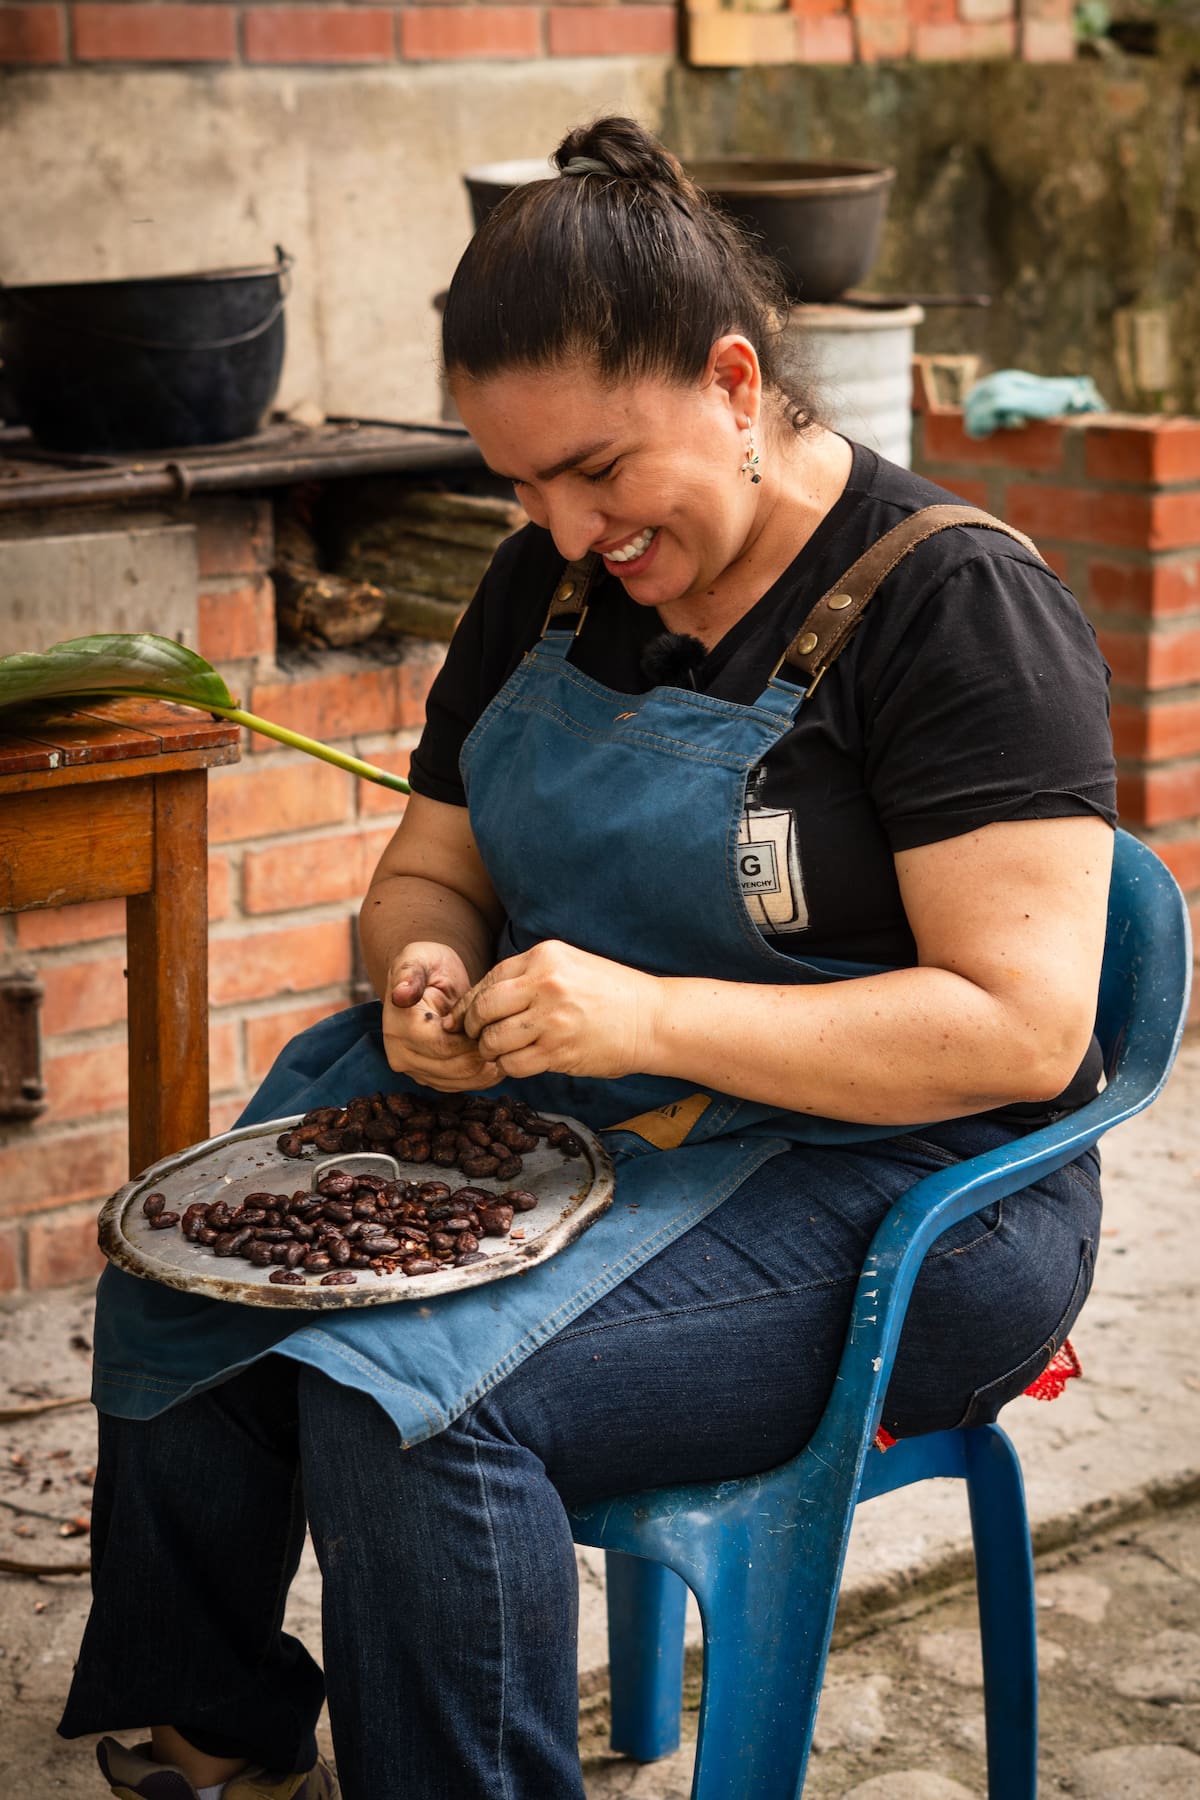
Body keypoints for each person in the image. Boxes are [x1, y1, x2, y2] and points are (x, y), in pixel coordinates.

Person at [63, 117, 1116, 1800]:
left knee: (408, 1402)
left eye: (600, 472)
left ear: (731, 378)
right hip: (596, 1119)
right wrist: (420, 976)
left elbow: (1021, 1026)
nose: (563, 530)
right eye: (522, 483)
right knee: (190, 1272)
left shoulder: (951, 608)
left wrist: (648, 1013)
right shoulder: (541, 597)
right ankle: (220, 1729)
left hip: (909, 1189)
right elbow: (429, 875)